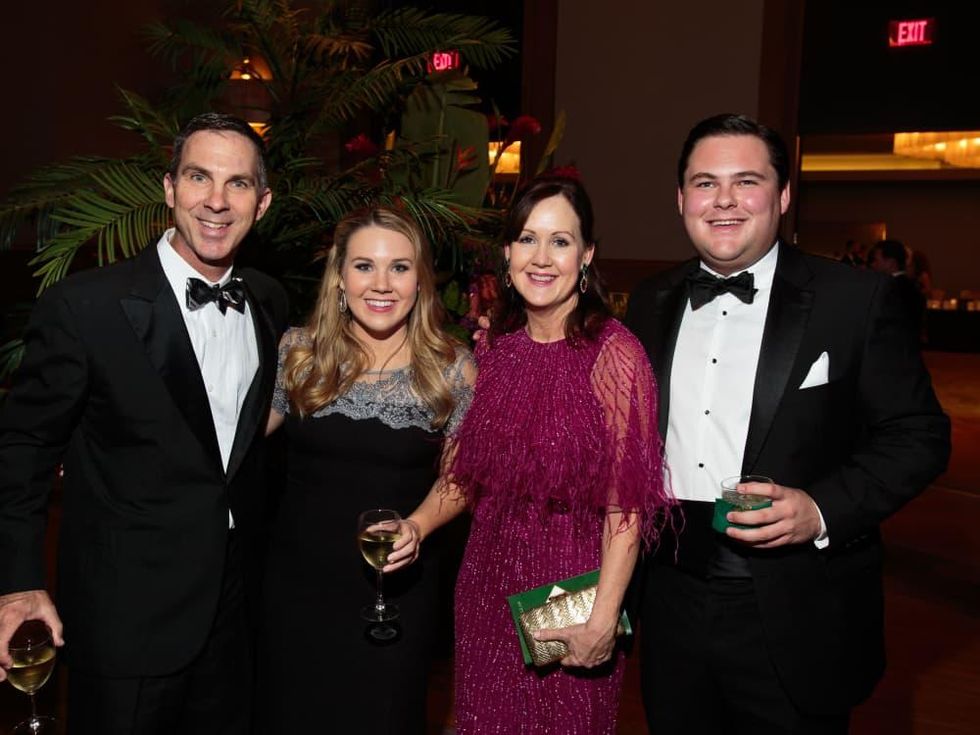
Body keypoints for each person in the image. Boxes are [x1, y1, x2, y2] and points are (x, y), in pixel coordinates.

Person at [625, 113, 951, 733]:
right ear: (680, 199)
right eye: (704, 183)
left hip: (795, 605)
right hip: (670, 599)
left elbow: (920, 435)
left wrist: (820, 509)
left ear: (782, 196)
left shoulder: (854, 300)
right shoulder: (651, 301)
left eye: (746, 181)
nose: (723, 200)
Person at [0, 112, 289, 733]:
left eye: (237, 184)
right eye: (198, 177)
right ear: (169, 189)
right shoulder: (85, 307)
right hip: (124, 619)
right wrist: (18, 584)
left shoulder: (269, 300)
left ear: (261, 203)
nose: (216, 201)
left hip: (234, 613)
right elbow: (20, 451)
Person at [395, 175, 673, 733]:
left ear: (587, 254)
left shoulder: (615, 355)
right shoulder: (495, 349)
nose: (541, 258)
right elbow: (465, 476)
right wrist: (417, 527)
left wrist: (602, 617)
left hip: (569, 597)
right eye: (527, 239)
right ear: (507, 252)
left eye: (560, 241)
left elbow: (628, 505)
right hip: (484, 589)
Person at [259, 206, 475, 734]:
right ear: (340, 277)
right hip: (296, 588)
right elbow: (233, 445)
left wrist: (417, 526)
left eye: (400, 268)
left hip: (393, 590)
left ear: (420, 281)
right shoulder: (298, 353)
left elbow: (461, 477)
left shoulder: (451, 366)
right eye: (364, 267)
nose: (381, 284)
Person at [869, 238, 927, 330]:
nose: (873, 264)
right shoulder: (911, 285)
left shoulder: (890, 288)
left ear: (891, 263)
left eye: (876, 260)